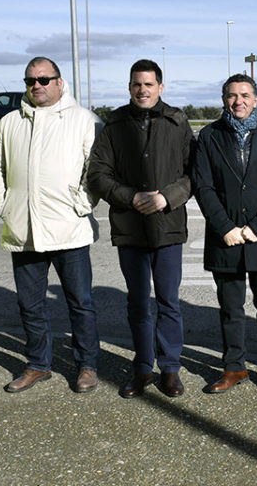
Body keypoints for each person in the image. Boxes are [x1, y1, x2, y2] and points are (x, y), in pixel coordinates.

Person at [0, 57, 102, 394]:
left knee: (80, 302)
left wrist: (81, 204)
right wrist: (2, 206)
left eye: (44, 79)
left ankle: (87, 365)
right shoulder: (10, 122)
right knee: (30, 304)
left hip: (69, 230)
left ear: (59, 83)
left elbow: (96, 169)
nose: (36, 86)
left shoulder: (84, 120)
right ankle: (38, 364)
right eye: (30, 80)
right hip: (25, 231)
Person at [87, 59, 193, 399]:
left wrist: (166, 198)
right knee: (137, 303)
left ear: (160, 87)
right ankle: (143, 367)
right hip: (130, 228)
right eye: (137, 84)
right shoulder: (115, 125)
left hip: (167, 227)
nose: (142, 90)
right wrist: (131, 197)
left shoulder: (177, 122)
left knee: (168, 301)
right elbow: (98, 175)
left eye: (148, 84)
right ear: (129, 87)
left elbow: (193, 174)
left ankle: (171, 369)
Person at [192, 74, 257, 395]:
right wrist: (226, 228)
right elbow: (203, 186)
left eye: (245, 95)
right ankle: (235, 367)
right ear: (224, 100)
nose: (239, 101)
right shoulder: (209, 136)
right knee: (231, 309)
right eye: (232, 96)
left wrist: (256, 228)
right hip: (226, 239)